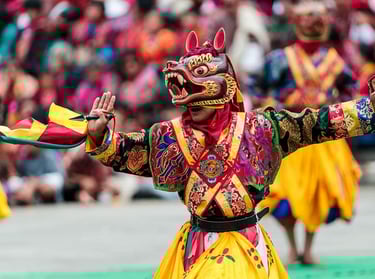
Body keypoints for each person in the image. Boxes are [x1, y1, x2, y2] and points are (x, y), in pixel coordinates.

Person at [84, 28, 375, 278]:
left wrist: (367, 109)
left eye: (199, 97)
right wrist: (99, 134)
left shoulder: (260, 128)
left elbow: (315, 123)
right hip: (198, 241)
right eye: (187, 102)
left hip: (245, 240)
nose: (191, 106)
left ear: (224, 90)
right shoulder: (170, 135)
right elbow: (129, 151)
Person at [256, 0, 361, 265]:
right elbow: (259, 88)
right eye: (307, 17)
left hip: (322, 135)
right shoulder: (281, 58)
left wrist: (338, 109)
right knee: (283, 192)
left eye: (319, 17)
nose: (314, 22)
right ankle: (293, 246)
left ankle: (309, 245)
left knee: (317, 192)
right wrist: (273, 107)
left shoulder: (335, 61)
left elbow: (350, 90)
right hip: (289, 133)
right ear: (296, 22)